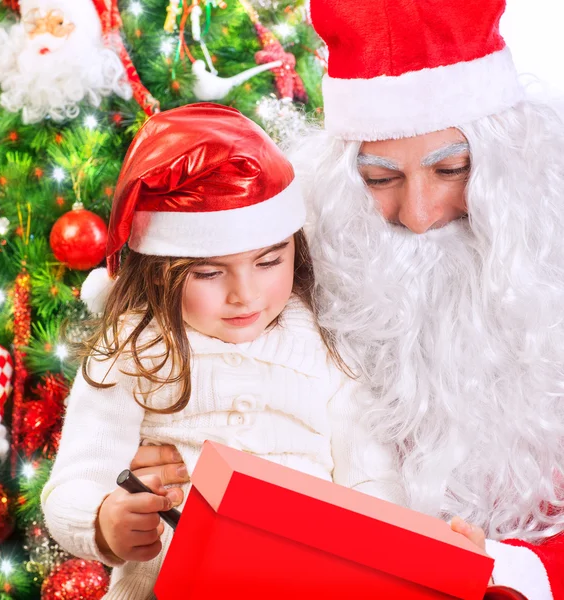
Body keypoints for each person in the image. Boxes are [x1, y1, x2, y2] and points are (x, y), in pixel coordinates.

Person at [130, 1, 564, 599]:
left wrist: (510, 571)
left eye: (453, 169)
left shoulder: (548, 288)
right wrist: (153, 466)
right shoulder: (286, 291)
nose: (418, 216)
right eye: (380, 179)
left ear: (511, 170)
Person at [40, 103, 403, 599]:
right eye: (209, 273)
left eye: (269, 261)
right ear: (158, 269)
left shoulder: (324, 346)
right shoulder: (132, 349)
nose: (245, 295)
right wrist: (103, 521)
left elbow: (370, 481)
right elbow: (74, 482)